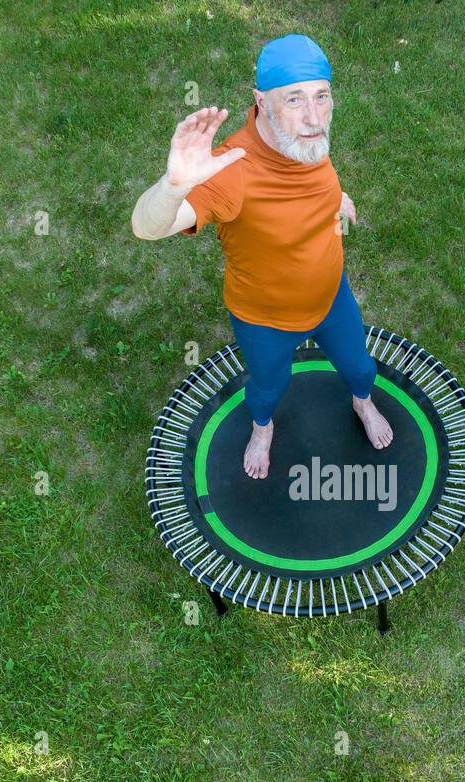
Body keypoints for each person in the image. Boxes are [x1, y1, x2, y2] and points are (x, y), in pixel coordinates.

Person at [131, 33, 393, 478]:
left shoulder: (304, 142)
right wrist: (174, 185)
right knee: (268, 390)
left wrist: (337, 198)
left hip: (332, 299)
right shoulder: (233, 170)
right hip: (264, 319)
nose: (313, 117)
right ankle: (263, 430)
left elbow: (311, 182)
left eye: (321, 97)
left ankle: (362, 404)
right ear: (262, 101)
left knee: (360, 369)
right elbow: (146, 227)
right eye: (294, 100)